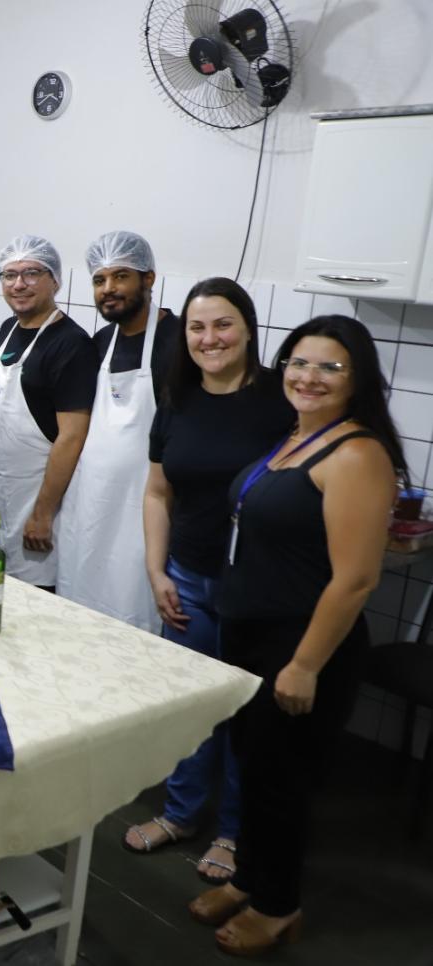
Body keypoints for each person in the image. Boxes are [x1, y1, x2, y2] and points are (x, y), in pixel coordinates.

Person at [192, 315, 403, 956]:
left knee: (283, 782)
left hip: (302, 646)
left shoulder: (357, 455)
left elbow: (356, 579)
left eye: (330, 367)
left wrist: (305, 664)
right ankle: (251, 877)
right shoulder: (298, 439)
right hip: (252, 636)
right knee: (255, 770)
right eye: (299, 363)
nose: (309, 377)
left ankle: (279, 906)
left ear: (358, 378)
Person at [127, 277, 293, 885]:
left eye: (222, 324)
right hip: (187, 578)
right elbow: (157, 490)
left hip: (261, 589)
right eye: (197, 327)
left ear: (248, 328)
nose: (209, 338)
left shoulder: (282, 400)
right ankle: (180, 812)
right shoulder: (179, 398)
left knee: (249, 716)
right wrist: (156, 568)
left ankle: (234, 831)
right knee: (191, 704)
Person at [58, 232, 179, 630]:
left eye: (120, 276)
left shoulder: (177, 342)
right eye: (99, 280)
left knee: (132, 614)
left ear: (149, 279)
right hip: (93, 501)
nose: (108, 289)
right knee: (81, 607)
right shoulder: (100, 343)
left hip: (143, 507)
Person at [0, 235, 96, 590]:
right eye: (9, 275)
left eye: (32, 273)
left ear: (55, 280)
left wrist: (43, 514)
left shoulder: (71, 344)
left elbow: (73, 435)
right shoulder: (7, 329)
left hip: (40, 502)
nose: (19, 284)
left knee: (32, 604)